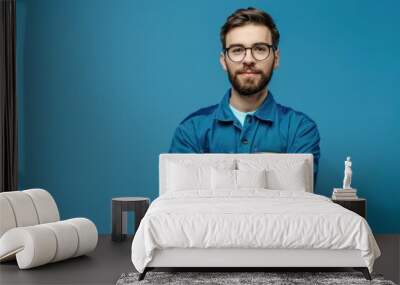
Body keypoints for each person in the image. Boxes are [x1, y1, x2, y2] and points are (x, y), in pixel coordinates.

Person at [168, 7, 321, 183]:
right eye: (237, 50)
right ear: (223, 60)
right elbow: (183, 204)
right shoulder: (191, 130)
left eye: (260, 49)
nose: (248, 60)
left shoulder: (300, 130)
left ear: (276, 58)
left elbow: (299, 202)